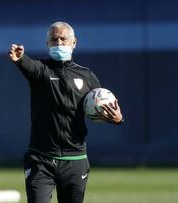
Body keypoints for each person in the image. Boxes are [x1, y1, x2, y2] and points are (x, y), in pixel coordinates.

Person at [9, 21, 123, 203]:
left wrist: (117, 118)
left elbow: (101, 107)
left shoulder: (87, 76)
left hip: (75, 160)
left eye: (64, 39)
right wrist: (21, 59)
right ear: (47, 44)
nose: (59, 43)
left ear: (74, 42)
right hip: (41, 159)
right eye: (54, 40)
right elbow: (29, 66)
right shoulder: (41, 70)